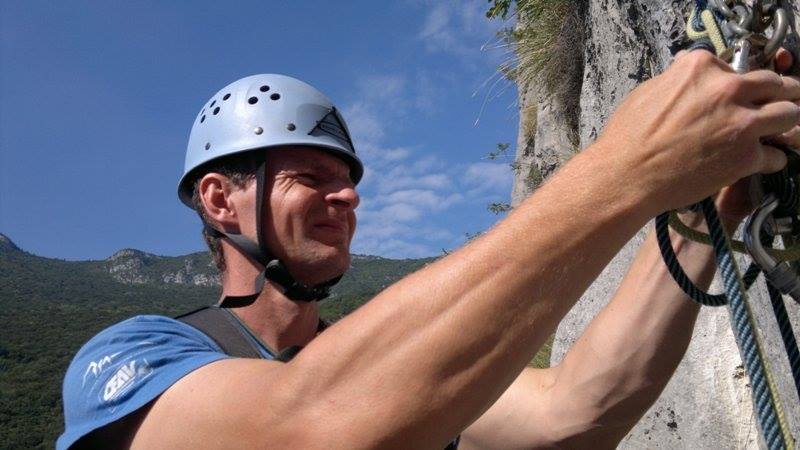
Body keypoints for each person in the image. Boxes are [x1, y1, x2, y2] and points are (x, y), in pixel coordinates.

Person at [58, 49, 800, 449]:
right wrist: (626, 168)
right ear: (221, 200)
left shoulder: (395, 370)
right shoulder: (131, 360)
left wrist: (704, 212)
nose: (347, 198)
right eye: (310, 177)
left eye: (349, 182)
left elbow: (577, 411)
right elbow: (303, 426)